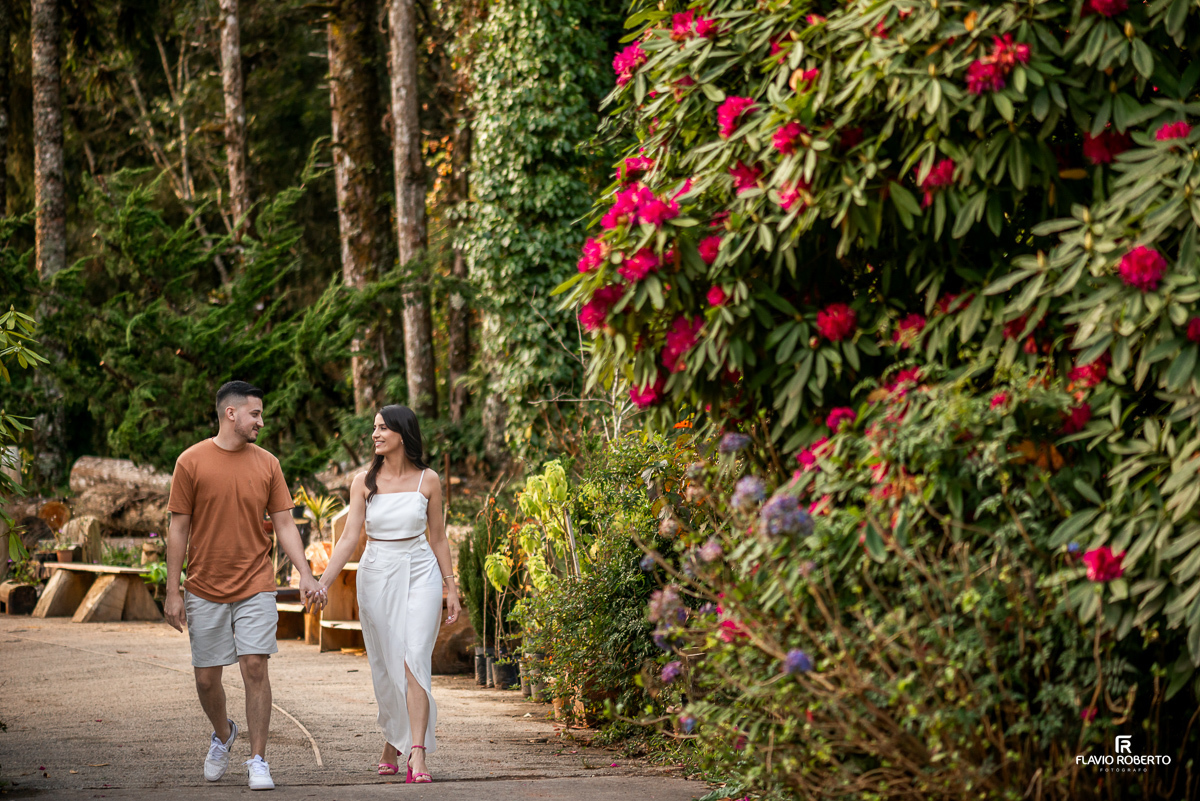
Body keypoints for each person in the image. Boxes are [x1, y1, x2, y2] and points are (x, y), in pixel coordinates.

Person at [164, 380, 326, 791]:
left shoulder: (268, 463)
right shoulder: (191, 461)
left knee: (255, 666)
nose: (261, 421)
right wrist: (171, 590)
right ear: (230, 413)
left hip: (256, 582)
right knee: (206, 679)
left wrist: (305, 574)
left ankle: (258, 759)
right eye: (255, 414)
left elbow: (285, 524)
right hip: (204, 584)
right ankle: (223, 734)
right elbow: (177, 528)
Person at [320, 404, 461, 784]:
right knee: (386, 665)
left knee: (414, 657)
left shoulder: (428, 480)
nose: (375, 434)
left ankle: (417, 751)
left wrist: (451, 587)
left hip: (420, 571)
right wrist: (323, 581)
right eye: (374, 428)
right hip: (378, 573)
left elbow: (438, 537)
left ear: (403, 433)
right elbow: (350, 537)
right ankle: (391, 740)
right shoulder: (363, 482)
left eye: (383, 428)